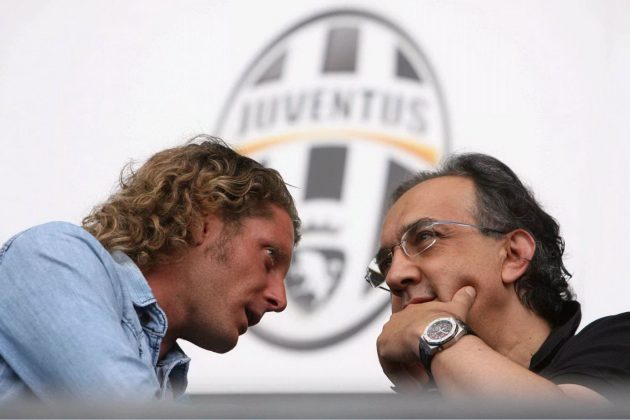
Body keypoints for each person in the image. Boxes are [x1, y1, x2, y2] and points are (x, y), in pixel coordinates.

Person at [0, 135, 300, 405]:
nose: (280, 299)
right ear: (201, 222)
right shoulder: (51, 254)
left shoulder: (168, 389)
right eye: (269, 256)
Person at [367, 153, 630, 407]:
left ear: (513, 255)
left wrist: (435, 334)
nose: (394, 275)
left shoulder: (619, 343)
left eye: (425, 237)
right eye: (386, 261)